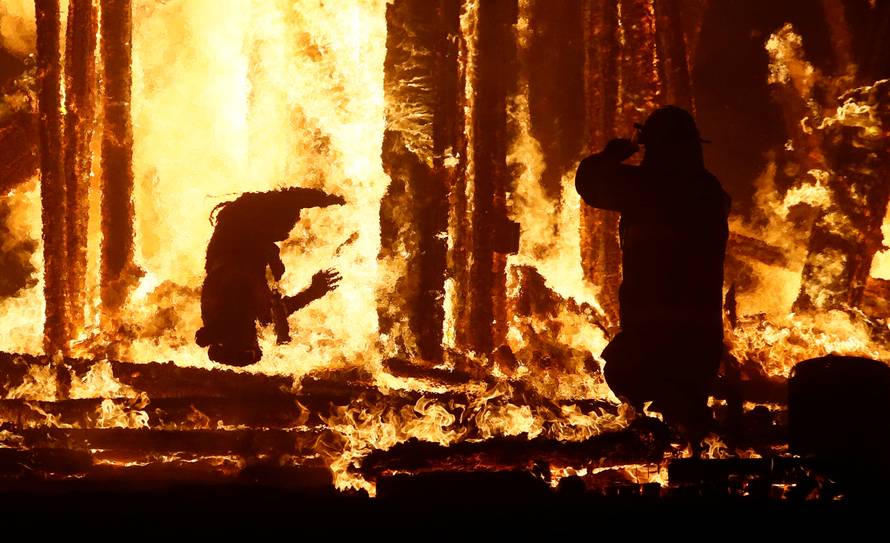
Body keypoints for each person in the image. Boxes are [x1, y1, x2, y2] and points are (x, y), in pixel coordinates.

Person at [575, 106, 730, 442]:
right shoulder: (709, 191)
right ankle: (689, 438)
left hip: (651, 338)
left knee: (622, 372)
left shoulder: (645, 188)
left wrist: (613, 154)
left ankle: (651, 436)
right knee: (687, 413)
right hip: (701, 340)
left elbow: (589, 183)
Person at [195, 186, 345, 366]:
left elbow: (265, 311)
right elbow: (270, 314)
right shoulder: (233, 318)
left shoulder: (232, 301)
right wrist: (313, 292)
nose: (289, 229)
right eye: (287, 223)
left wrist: (270, 255)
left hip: (236, 249)